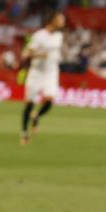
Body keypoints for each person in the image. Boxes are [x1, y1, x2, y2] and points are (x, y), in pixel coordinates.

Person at [20, 12, 65, 145]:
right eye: (61, 20)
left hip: (51, 73)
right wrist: (39, 54)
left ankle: (36, 116)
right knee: (29, 103)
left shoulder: (59, 36)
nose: (63, 22)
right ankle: (24, 132)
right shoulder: (39, 36)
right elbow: (26, 53)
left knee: (50, 100)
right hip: (36, 73)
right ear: (52, 21)